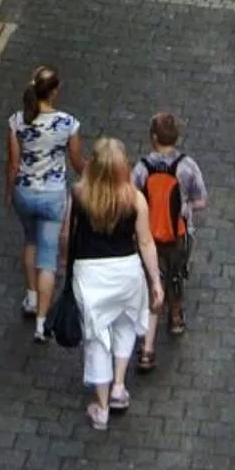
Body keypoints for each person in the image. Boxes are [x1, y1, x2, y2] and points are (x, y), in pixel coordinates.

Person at [66, 138, 163, 429]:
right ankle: (119, 385)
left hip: (90, 273)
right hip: (126, 273)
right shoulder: (134, 198)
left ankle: (102, 405)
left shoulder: (80, 194)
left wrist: (63, 262)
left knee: (96, 338)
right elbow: (145, 242)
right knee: (124, 327)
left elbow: (65, 235)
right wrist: (156, 281)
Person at [4, 65, 84, 341]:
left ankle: (30, 295)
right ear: (53, 92)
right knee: (48, 258)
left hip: (25, 193)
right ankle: (41, 323)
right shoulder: (67, 123)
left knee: (30, 242)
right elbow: (76, 162)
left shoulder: (17, 121)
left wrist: (8, 192)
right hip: (52, 196)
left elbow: (13, 164)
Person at [131, 111, 208, 363]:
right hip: (178, 233)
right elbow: (201, 201)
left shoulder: (142, 167)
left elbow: (131, 197)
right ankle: (175, 316)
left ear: (153, 138)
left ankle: (147, 339)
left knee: (153, 277)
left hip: (148, 235)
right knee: (176, 274)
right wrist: (184, 207)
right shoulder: (187, 166)